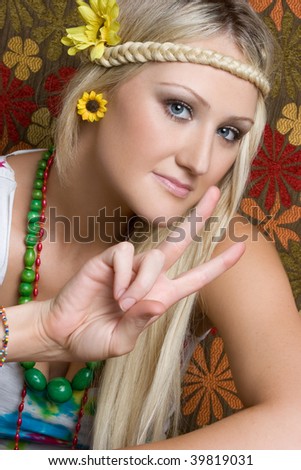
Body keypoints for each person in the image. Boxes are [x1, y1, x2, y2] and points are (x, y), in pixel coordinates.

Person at [0, 0, 301, 451]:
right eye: (179, 107)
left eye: (228, 132)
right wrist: (35, 331)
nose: (199, 161)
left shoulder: (220, 248)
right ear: (99, 89)